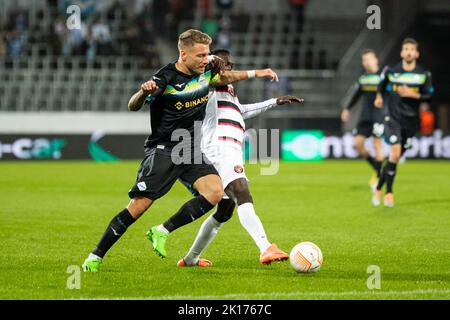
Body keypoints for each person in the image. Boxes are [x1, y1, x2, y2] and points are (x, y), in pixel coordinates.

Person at [82, 29, 279, 272]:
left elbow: (227, 78)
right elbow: (133, 106)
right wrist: (143, 92)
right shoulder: (165, 78)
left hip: (189, 148)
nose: (206, 59)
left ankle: (161, 231)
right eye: (200, 55)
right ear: (183, 54)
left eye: (207, 54)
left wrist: (258, 72)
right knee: (138, 207)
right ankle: (95, 256)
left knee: (216, 193)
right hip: (164, 150)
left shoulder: (205, 72)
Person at [176, 49, 303, 267]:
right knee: (242, 191)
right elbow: (209, 69)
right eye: (227, 63)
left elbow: (240, 111)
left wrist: (275, 101)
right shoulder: (207, 83)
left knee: (224, 212)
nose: (231, 67)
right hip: (220, 145)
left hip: (228, 147)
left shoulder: (228, 90)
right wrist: (214, 63)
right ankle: (265, 247)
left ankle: (190, 258)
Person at [372, 38, 433, 207]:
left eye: (411, 49)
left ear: (417, 54)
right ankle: (389, 194)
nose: (408, 51)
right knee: (395, 153)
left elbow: (429, 95)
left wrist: (412, 94)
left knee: (394, 158)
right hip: (393, 118)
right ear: (401, 53)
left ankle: (378, 187)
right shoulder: (392, 71)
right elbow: (381, 84)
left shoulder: (423, 74)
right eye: (405, 48)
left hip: (411, 121)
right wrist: (378, 97)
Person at [340, 49, 385, 191]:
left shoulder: (384, 77)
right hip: (365, 116)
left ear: (376, 59)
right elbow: (356, 95)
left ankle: (377, 176)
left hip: (379, 115)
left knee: (378, 145)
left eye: (369, 59)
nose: (367, 62)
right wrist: (347, 109)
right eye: (365, 60)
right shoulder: (363, 78)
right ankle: (376, 167)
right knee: (358, 144)